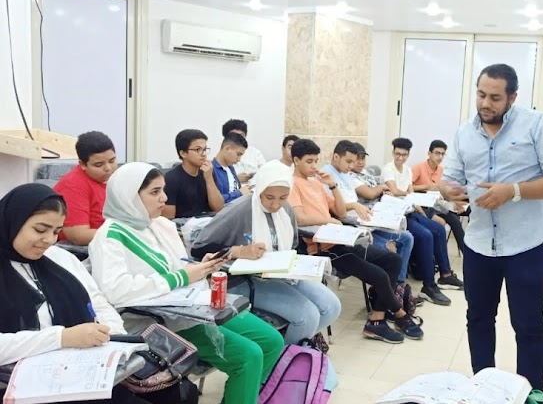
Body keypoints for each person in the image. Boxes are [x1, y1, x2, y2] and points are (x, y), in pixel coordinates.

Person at [90, 163, 284, 404]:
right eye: (154, 192)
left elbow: (179, 267)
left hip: (189, 305)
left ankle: (243, 396)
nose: (164, 198)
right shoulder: (109, 237)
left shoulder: (160, 224)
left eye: (163, 190)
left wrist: (201, 266)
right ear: (129, 197)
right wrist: (182, 277)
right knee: (249, 356)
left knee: (272, 341)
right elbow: (115, 291)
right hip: (155, 323)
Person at [438, 63, 543, 391]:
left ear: (512, 97)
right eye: (481, 95)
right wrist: (448, 190)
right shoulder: (464, 133)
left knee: (528, 326)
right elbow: (449, 178)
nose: (486, 103)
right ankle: (484, 390)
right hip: (479, 244)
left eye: (495, 98)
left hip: (526, 244)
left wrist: (513, 191)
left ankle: (530, 394)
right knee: (478, 320)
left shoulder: (537, 125)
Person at [0, 183, 196, 404]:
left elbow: (97, 302)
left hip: (81, 372)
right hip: (22, 386)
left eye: (56, 232)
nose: (49, 240)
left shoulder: (59, 259)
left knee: (180, 393)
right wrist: (62, 337)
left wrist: (115, 339)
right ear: (13, 221)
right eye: (39, 230)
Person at [191, 160, 342, 345]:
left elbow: (293, 245)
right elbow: (199, 249)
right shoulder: (240, 209)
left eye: (283, 197)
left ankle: (295, 349)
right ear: (260, 188)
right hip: (242, 280)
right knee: (306, 316)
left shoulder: (286, 209)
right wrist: (240, 251)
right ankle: (283, 359)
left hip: (279, 275)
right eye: (269, 197)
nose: (275, 204)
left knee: (331, 306)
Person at [287, 139, 423, 343]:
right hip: (321, 247)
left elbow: (341, 212)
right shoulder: (292, 185)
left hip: (338, 240)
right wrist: (328, 220)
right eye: (309, 161)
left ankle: (377, 320)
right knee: (379, 275)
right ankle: (399, 313)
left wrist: (332, 185)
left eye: (316, 161)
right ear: (296, 160)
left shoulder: (316, 182)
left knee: (393, 260)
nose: (314, 166)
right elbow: (300, 218)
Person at [320, 141, 426, 305]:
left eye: (355, 161)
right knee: (390, 250)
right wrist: (354, 205)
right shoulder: (326, 176)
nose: (352, 166)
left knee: (407, 237)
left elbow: (359, 200)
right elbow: (335, 209)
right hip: (350, 225)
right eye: (349, 161)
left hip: (364, 219)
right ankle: (385, 297)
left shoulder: (347, 174)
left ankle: (398, 288)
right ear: (335, 157)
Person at [383, 137, 464, 292]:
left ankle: (445, 275)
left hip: (411, 210)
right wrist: (408, 194)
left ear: (408, 154)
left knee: (438, 229)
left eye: (404, 155)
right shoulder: (388, 169)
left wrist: (422, 214)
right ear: (393, 152)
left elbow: (411, 196)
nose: (400, 158)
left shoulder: (407, 170)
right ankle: (429, 285)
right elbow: (395, 190)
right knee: (426, 235)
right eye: (398, 154)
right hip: (398, 215)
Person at [54, 131, 118, 245]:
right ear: (83, 164)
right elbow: (78, 236)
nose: (108, 168)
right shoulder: (73, 186)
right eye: (99, 165)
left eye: (112, 161)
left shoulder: (117, 177)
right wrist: (124, 235)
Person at [412, 139, 466, 254]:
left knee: (455, 220)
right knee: (443, 222)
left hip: (437, 203)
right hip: (422, 204)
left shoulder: (442, 170)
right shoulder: (418, 167)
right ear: (429, 153)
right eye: (437, 153)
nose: (440, 157)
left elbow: (447, 188)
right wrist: (426, 186)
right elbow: (408, 187)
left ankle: (466, 253)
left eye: (442, 154)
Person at [162, 129, 224, 219]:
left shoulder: (207, 172)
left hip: (208, 222)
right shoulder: (171, 179)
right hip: (183, 225)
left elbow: (219, 208)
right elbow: (168, 219)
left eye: (205, 149)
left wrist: (209, 179)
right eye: (198, 149)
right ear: (183, 153)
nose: (204, 154)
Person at [211, 132, 251, 204]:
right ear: (227, 149)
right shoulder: (211, 170)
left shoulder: (231, 168)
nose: (239, 159)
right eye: (238, 154)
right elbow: (215, 201)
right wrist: (239, 193)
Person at [224, 119, 267, 185]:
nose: (238, 139)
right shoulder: (222, 154)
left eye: (241, 135)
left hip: (254, 189)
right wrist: (234, 178)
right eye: (235, 136)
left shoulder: (255, 153)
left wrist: (251, 177)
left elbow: (265, 173)